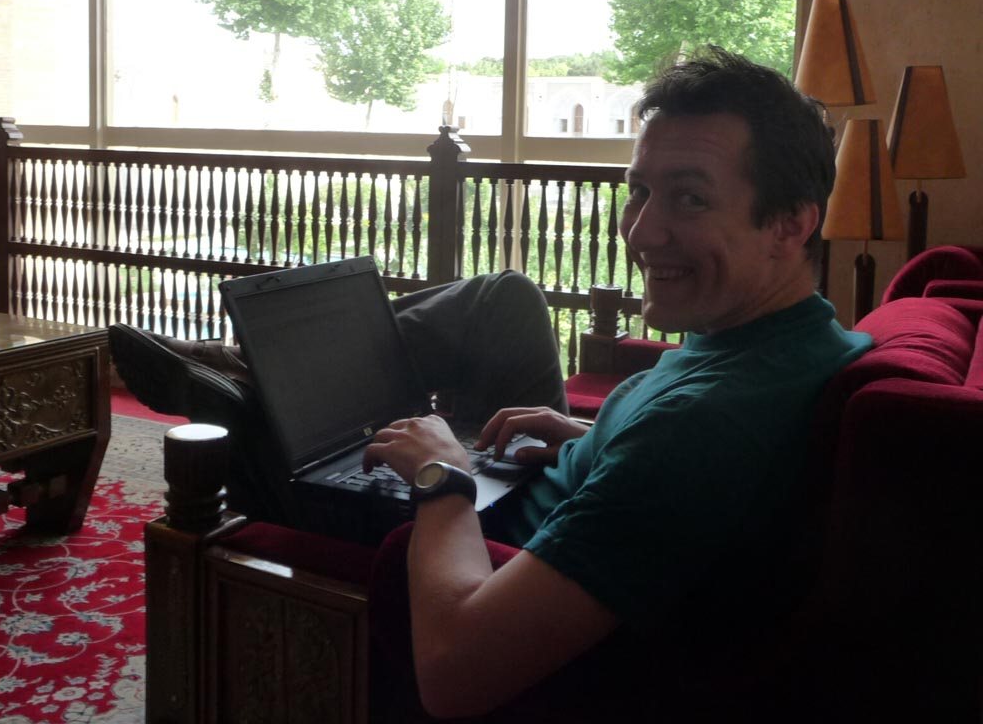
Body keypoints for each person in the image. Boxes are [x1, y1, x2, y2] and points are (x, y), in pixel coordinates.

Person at [111, 47, 872, 719]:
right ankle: (262, 369)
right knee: (504, 299)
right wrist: (586, 438)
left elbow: (455, 670)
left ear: (791, 224)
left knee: (265, 434)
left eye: (690, 198)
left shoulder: (701, 430)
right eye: (639, 191)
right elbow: (665, 467)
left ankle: (247, 388)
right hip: (530, 492)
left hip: (481, 543)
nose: (641, 232)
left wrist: (444, 477)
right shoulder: (797, 342)